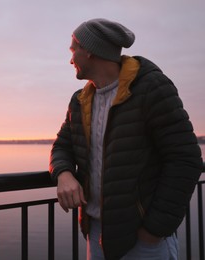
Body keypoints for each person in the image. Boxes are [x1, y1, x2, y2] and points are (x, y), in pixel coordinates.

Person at [49, 18, 203, 260]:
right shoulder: (80, 100)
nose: (70, 59)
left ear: (89, 51)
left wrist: (154, 230)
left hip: (144, 239)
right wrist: (64, 174)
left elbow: (186, 159)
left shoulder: (151, 88)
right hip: (97, 231)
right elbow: (62, 146)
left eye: (73, 50)